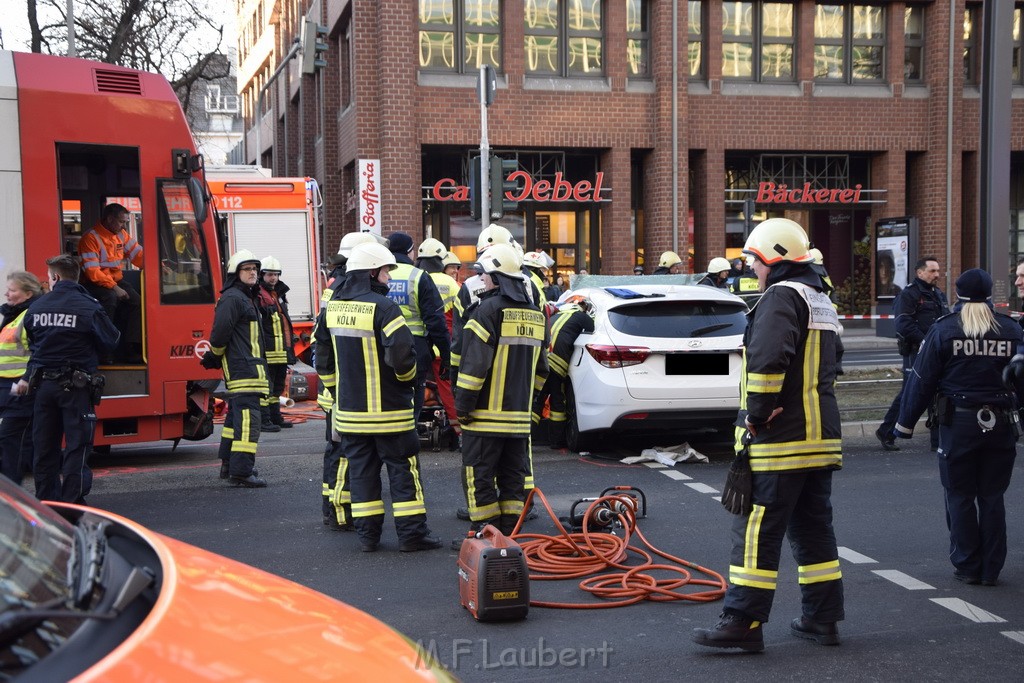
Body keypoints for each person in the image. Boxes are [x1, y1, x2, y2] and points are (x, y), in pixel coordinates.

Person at [693, 218, 844, 653]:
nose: (753, 270)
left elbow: (765, 361)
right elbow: (834, 363)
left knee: (757, 531)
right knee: (815, 530)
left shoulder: (781, 296)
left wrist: (755, 417)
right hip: (820, 439)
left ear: (772, 259)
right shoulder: (821, 299)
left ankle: (743, 621)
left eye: (755, 261)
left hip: (780, 439)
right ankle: (822, 618)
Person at [895, 269, 1023, 587]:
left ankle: (967, 565)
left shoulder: (944, 329)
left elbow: (921, 380)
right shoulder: (1011, 329)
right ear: (991, 293)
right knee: (992, 497)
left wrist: (904, 425)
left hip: (959, 424)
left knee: (960, 494)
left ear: (958, 292)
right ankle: (991, 568)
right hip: (1002, 424)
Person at [313, 241, 442, 553]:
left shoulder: (334, 307)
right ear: (372, 272)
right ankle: (411, 536)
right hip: (391, 414)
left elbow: (323, 358)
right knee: (403, 471)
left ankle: (368, 537)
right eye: (385, 270)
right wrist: (407, 383)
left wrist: (335, 389)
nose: (388, 276)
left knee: (362, 475)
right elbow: (403, 357)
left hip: (350, 415)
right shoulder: (384, 308)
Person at [456, 243, 549, 535]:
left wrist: (463, 406)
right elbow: (542, 370)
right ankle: (510, 535)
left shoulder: (487, 311)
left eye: (485, 276)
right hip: (518, 420)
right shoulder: (535, 314)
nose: (481, 281)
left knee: (478, 476)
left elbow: (474, 366)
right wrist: (527, 404)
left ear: (497, 278)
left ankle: (485, 534)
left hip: (484, 418)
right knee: (513, 479)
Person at [16, 255, 119, 503]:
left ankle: (47, 503)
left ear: (55, 277)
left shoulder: (37, 307)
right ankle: (71, 504)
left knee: (44, 448)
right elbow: (111, 341)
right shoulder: (89, 306)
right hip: (76, 388)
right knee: (77, 446)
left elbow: (31, 343)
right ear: (76, 276)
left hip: (43, 388)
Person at [318, 231, 385, 531]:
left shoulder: (336, 287)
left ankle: (335, 507)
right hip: (345, 388)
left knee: (339, 452)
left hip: (338, 385)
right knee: (343, 452)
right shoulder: (343, 291)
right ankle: (339, 511)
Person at [202, 249, 269, 488]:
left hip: (248, 370)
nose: (253, 273)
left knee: (235, 419)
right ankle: (242, 471)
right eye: (247, 269)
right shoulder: (233, 298)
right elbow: (220, 333)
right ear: (235, 273)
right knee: (249, 421)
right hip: (244, 372)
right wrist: (214, 355)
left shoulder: (244, 297)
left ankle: (229, 465)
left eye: (254, 269)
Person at [876, 257, 948, 451]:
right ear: (920, 273)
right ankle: (887, 432)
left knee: (937, 393)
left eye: (938, 271)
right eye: (932, 271)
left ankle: (937, 441)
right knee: (911, 393)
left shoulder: (938, 294)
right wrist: (925, 341)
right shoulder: (909, 294)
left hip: (937, 351)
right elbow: (903, 324)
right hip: (917, 352)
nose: (937, 275)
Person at [386, 231, 451, 421]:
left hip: (384, 346)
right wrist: (446, 355)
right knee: (413, 401)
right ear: (409, 252)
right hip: (415, 348)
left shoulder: (380, 273)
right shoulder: (418, 276)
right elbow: (435, 321)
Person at [78, 202, 144, 362]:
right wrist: (114, 288)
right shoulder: (90, 238)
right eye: (121, 221)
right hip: (93, 284)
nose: (124, 225)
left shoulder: (121, 234)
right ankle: (105, 350)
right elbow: (93, 272)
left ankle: (131, 347)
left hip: (115, 281)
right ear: (109, 219)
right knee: (110, 300)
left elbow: (138, 254)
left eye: (125, 222)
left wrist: (160, 267)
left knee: (138, 302)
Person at [416, 237, 462, 443]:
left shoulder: (416, 278)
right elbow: (462, 314)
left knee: (416, 390)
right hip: (445, 347)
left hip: (418, 347)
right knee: (449, 392)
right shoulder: (451, 283)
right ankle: (459, 433)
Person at [533, 295, 594, 448]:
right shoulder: (583, 318)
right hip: (558, 363)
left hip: (542, 359)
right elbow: (592, 333)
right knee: (557, 400)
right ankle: (556, 441)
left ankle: (525, 438)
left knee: (538, 399)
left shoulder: (559, 314)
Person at [0, 271, 44, 483]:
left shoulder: (29, 317)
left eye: (12, 290)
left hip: (20, 389)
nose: (7, 294)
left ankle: (12, 496)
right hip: (6, 387)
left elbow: (38, 354)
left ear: (27, 294)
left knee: (12, 442)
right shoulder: (13, 316)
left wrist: (26, 380)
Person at [256, 256, 296, 433]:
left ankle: (275, 417)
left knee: (278, 387)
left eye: (276, 275)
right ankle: (264, 420)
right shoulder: (258, 295)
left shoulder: (278, 294)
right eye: (269, 274)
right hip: (268, 351)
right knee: (267, 387)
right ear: (262, 275)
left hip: (281, 350)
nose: (273, 278)